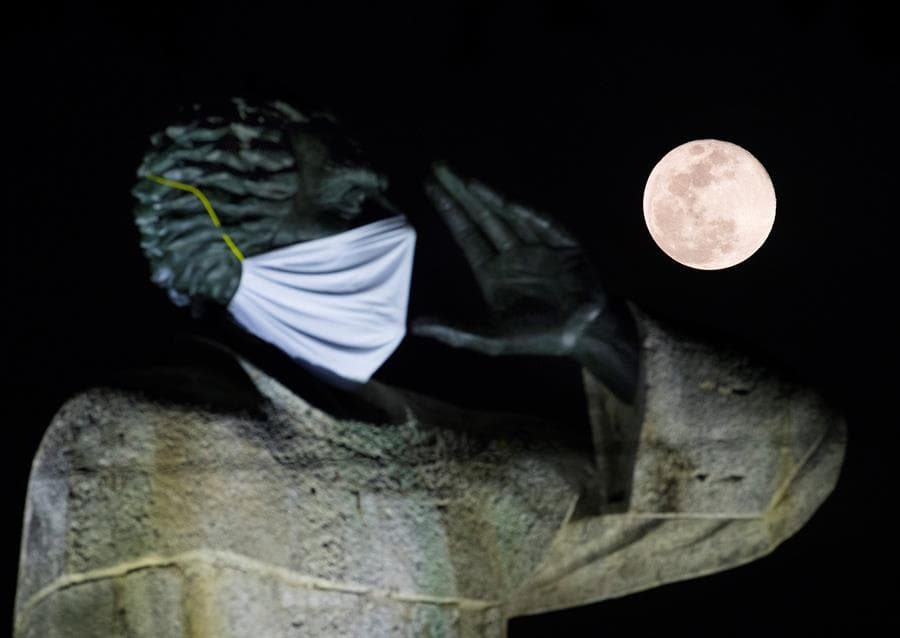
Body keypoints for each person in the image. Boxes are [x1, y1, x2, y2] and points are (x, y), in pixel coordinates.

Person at [14, 99, 846, 638]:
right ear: (218, 244)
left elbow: (780, 479)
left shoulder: (471, 473)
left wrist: (607, 340)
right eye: (345, 203)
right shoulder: (141, 440)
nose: (391, 229)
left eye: (382, 201)